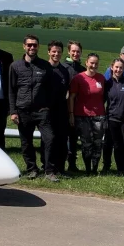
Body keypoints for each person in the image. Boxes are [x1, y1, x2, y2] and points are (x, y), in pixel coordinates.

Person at [8, 34, 57, 182]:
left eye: (34, 45)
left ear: (38, 47)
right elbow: (11, 90)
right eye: (29, 45)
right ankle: (32, 169)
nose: (32, 47)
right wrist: (13, 111)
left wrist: (48, 106)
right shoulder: (15, 66)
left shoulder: (45, 66)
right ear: (24, 46)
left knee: (50, 139)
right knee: (26, 142)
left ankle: (49, 170)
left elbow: (50, 89)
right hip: (23, 110)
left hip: (42, 111)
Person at [68, 53, 106, 174]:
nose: (93, 65)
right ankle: (88, 168)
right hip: (82, 116)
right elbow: (72, 97)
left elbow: (104, 96)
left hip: (99, 115)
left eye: (96, 63)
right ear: (86, 63)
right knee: (86, 143)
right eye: (91, 63)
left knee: (98, 143)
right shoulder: (79, 78)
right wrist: (71, 114)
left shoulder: (101, 78)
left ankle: (95, 168)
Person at [46, 40, 72, 175]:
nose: (56, 54)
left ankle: (60, 168)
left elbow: (67, 90)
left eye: (59, 52)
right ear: (49, 52)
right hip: (46, 110)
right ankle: (48, 168)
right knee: (49, 140)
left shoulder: (64, 71)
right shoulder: (44, 68)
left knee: (62, 140)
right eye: (54, 51)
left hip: (61, 110)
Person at [65, 40, 85, 173]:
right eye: (73, 51)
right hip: (64, 108)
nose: (75, 53)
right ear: (68, 52)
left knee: (73, 138)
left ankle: (72, 164)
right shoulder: (63, 67)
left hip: (79, 109)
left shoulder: (83, 70)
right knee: (63, 138)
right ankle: (60, 163)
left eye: (78, 51)